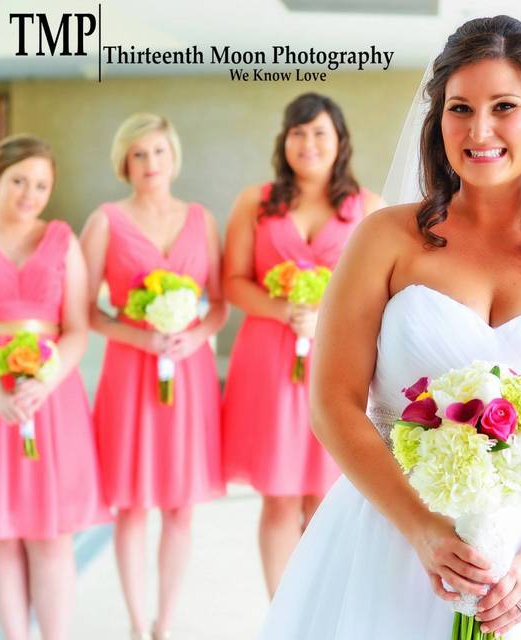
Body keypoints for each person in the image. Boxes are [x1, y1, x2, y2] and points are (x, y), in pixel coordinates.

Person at [259, 15, 521, 639]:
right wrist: (423, 529)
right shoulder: (383, 239)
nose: (480, 130)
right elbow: (333, 402)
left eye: (504, 107)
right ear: (436, 119)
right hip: (392, 539)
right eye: (459, 108)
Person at [221, 93, 383, 597]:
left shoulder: (368, 207)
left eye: (319, 133)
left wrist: (326, 319)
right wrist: (282, 311)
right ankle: (280, 611)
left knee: (324, 493)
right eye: (298, 132)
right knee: (277, 494)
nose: (308, 143)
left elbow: (378, 291)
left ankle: (318, 608)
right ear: (284, 141)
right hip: (268, 357)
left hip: (336, 357)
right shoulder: (256, 202)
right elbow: (233, 280)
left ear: (339, 142)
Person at [80, 113, 228, 640]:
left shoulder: (200, 219)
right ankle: (136, 623)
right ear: (125, 162)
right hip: (129, 372)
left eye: (158, 152)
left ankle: (166, 621)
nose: (150, 164)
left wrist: (194, 336)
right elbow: (86, 312)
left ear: (173, 157)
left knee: (180, 506)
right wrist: (141, 337)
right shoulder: (104, 221)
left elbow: (219, 306)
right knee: (132, 506)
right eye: (139, 154)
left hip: (188, 376)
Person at [0, 134, 106, 640]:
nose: (29, 193)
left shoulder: (62, 240)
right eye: (19, 181)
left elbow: (77, 326)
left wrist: (45, 381)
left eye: (40, 185)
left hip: (53, 401)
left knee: (52, 535)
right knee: (2, 535)